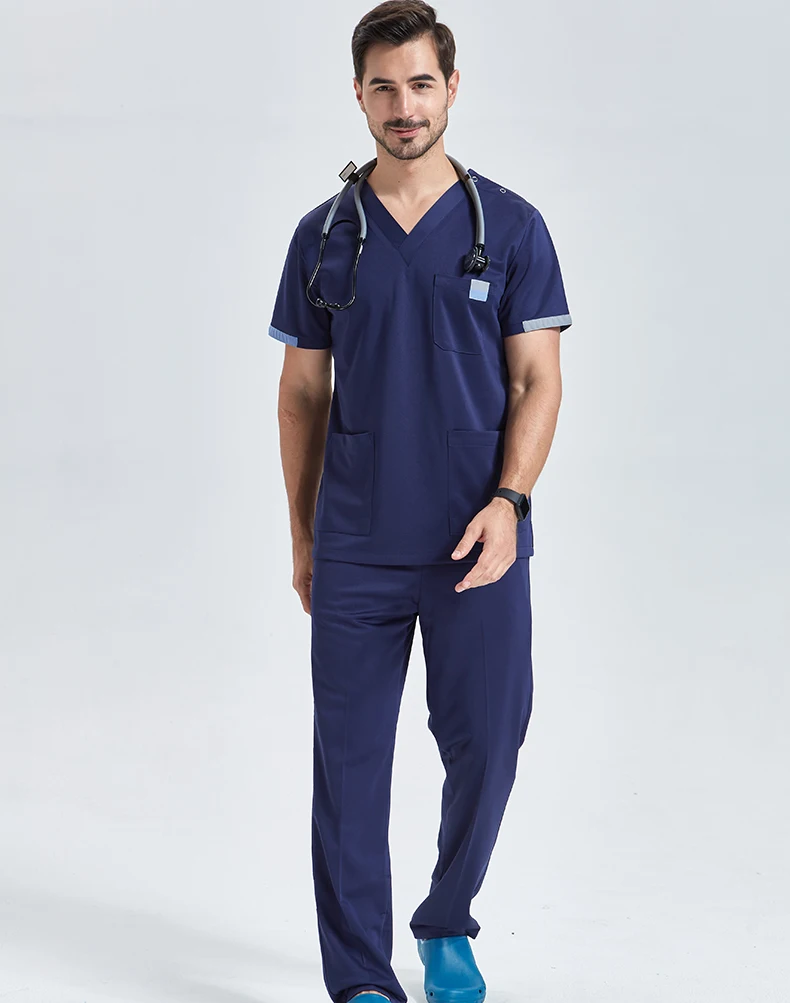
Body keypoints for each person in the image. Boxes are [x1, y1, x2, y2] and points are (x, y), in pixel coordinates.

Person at [267, 3, 572, 1001]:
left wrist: (511, 501)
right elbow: (302, 393)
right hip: (357, 542)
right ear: (358, 96)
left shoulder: (510, 227)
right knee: (349, 766)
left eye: (421, 84)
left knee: (490, 741)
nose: (404, 106)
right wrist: (304, 536)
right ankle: (360, 975)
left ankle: (446, 919)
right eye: (384, 87)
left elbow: (537, 379)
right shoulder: (324, 237)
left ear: (452, 88)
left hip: (478, 538)